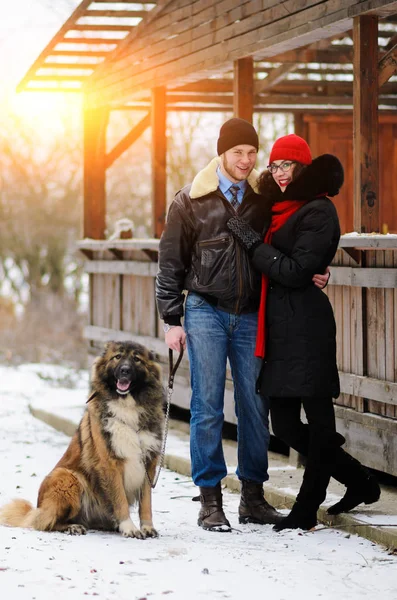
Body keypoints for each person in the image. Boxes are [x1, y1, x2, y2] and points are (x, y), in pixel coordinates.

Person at [156, 119, 328, 532]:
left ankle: (252, 496)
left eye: (252, 153)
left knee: (255, 406)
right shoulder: (189, 200)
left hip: (252, 314)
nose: (246, 160)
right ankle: (210, 500)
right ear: (222, 153)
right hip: (204, 311)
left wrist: (316, 270)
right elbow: (170, 263)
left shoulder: (263, 196)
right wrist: (170, 319)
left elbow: (291, 240)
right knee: (207, 404)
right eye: (238, 153)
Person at [227, 134, 381, 531]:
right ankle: (360, 479)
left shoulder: (318, 211)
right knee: (287, 425)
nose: (279, 174)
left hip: (306, 327)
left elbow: (296, 271)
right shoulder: (275, 207)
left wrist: (254, 247)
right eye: (275, 166)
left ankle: (306, 506)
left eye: (287, 166)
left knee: (317, 418)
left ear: (302, 169)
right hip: (279, 328)